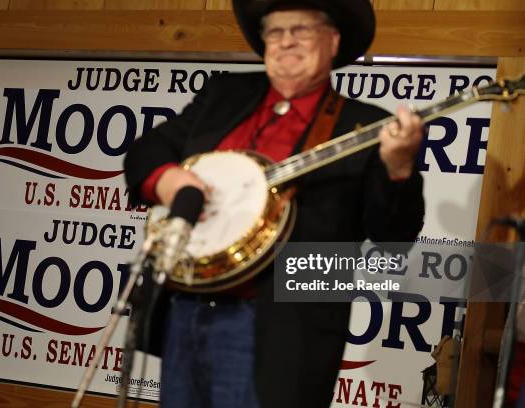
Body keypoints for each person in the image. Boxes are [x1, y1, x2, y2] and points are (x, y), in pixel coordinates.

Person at [124, 1, 425, 407]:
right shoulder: (224, 95)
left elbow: (394, 238)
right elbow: (148, 150)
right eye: (275, 32)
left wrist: (399, 168)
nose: (286, 41)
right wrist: (172, 183)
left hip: (286, 330)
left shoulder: (368, 126)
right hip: (188, 310)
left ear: (332, 41)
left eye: (300, 29)